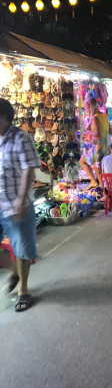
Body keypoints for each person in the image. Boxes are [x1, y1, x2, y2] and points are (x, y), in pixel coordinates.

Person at [0, 98, 40, 312]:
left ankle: (23, 290)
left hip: (17, 202)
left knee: (23, 247)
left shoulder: (21, 138)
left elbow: (28, 170)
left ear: (6, 118)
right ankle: (12, 269)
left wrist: (20, 199)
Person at [80, 97, 112, 191]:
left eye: (86, 106)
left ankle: (101, 188)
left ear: (89, 106)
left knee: (96, 168)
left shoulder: (95, 117)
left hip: (98, 147)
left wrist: (88, 130)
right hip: (105, 146)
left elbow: (97, 134)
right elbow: (110, 131)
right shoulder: (104, 116)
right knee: (99, 167)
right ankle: (98, 185)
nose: (85, 108)